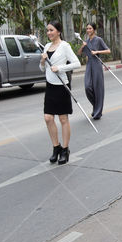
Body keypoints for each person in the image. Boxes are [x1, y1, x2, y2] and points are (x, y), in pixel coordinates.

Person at [41, 21, 81, 162]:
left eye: (51, 30)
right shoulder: (46, 47)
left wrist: (60, 68)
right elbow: (43, 69)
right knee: (48, 118)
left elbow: (77, 63)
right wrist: (42, 61)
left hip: (62, 85)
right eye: (47, 30)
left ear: (58, 31)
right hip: (50, 85)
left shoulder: (65, 46)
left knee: (63, 119)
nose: (49, 33)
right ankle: (55, 147)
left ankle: (65, 149)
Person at [78, 22, 110, 120]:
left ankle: (97, 112)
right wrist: (83, 46)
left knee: (98, 88)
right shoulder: (86, 41)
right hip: (89, 65)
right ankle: (96, 107)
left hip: (96, 64)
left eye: (90, 28)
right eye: (87, 29)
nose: (88, 30)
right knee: (88, 87)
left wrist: (97, 52)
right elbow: (79, 53)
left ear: (94, 30)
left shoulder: (98, 40)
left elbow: (108, 50)